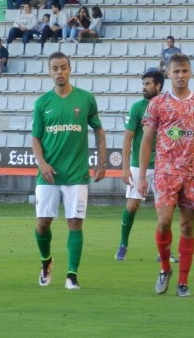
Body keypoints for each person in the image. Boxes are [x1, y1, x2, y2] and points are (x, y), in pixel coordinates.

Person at [138, 53, 194, 297]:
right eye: (176, 71)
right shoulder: (157, 104)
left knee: (187, 227)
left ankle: (183, 282)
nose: (180, 76)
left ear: (190, 73)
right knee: (163, 222)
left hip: (193, 173)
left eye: (184, 71)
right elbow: (146, 141)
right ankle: (165, 268)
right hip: (166, 171)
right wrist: (141, 176)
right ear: (168, 73)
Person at [31, 51, 107, 290]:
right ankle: (46, 262)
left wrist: (101, 162)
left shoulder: (85, 99)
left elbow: (99, 131)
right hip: (49, 174)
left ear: (70, 69)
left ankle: (72, 275)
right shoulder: (42, 103)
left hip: (76, 173)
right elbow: (35, 139)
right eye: (55, 68)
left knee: (75, 223)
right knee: (42, 224)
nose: (59, 72)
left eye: (63, 67)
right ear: (49, 72)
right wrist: (42, 164)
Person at [115, 70, 170, 261]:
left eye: (148, 84)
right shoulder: (137, 108)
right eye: (143, 83)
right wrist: (124, 168)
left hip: (163, 165)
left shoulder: (168, 106)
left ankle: (163, 251)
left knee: (164, 209)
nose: (144, 87)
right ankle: (123, 244)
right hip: (139, 164)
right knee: (132, 205)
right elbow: (128, 138)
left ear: (159, 86)